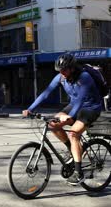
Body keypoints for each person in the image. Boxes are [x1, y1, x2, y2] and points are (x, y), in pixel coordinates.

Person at [22, 53, 102, 186]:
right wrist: (30, 109)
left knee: (74, 133)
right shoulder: (61, 78)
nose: (62, 73)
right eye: (60, 70)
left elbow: (81, 100)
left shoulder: (84, 77)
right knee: (53, 124)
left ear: (72, 68)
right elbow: (46, 93)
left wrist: (70, 116)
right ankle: (73, 150)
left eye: (64, 70)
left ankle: (78, 173)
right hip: (74, 105)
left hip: (90, 108)